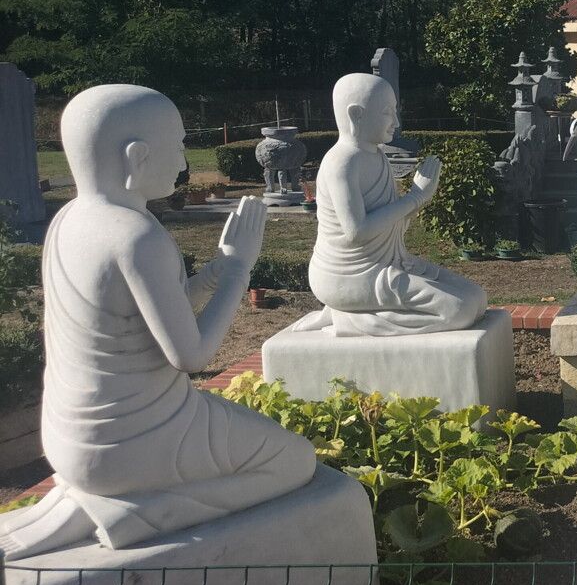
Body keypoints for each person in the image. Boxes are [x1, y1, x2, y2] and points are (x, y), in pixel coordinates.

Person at [0, 86, 316, 558]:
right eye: (180, 144)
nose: (185, 160)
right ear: (136, 157)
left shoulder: (69, 220)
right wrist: (238, 271)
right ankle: (146, 514)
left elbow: (137, 316)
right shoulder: (136, 236)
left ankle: (112, 499)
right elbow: (189, 355)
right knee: (294, 461)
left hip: (70, 442)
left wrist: (211, 274)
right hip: (137, 439)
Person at [308, 73, 487, 336]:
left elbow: (390, 228)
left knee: (477, 298)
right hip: (349, 275)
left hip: (388, 264)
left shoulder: (377, 155)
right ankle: (348, 320)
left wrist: (418, 201)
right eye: (387, 113)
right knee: (459, 309)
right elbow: (356, 232)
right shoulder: (341, 163)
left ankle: (362, 314)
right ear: (356, 115)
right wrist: (415, 197)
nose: (396, 122)